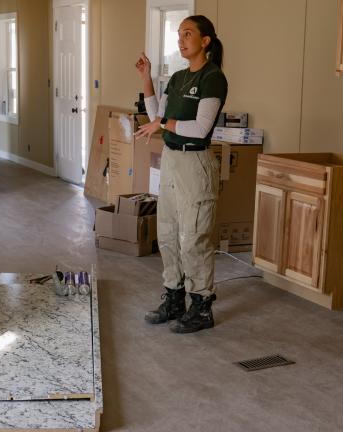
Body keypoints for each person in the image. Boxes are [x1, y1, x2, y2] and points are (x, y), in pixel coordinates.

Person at [134, 15, 227, 334]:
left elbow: (200, 128)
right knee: (169, 236)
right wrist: (146, 77)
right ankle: (174, 300)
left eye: (188, 34)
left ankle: (201, 307)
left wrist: (163, 124)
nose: (181, 39)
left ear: (205, 41)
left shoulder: (213, 78)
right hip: (172, 159)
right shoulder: (177, 78)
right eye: (179, 34)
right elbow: (156, 114)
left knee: (194, 239)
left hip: (195, 163)